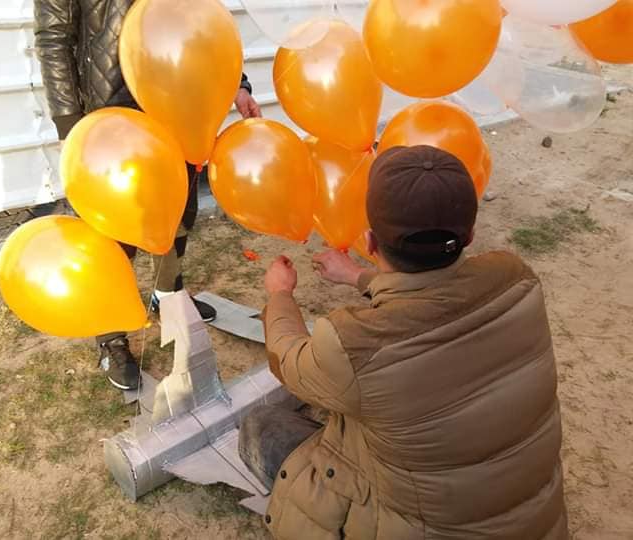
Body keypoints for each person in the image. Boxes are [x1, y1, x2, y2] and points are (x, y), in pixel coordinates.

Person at [239, 145, 568, 539]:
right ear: (469, 234)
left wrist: (279, 295)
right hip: (537, 526)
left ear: (371, 241)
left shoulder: (353, 344)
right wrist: (357, 277)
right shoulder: (517, 279)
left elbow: (289, 359)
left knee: (263, 425)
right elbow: (436, 297)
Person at [33, 0, 261, 390]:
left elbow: (199, 17)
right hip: (111, 107)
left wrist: (236, 83)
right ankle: (110, 335)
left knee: (177, 213)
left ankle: (168, 297)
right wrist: (71, 124)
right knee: (113, 233)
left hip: (177, 100)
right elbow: (54, 36)